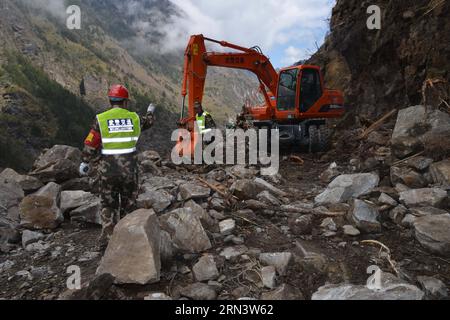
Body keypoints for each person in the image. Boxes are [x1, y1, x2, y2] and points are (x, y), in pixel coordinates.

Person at [79, 84, 155, 249]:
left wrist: (85, 161)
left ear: (110, 100)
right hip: (130, 170)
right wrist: (150, 111)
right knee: (129, 203)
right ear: (126, 102)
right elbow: (148, 122)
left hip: (108, 170)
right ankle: (128, 240)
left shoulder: (101, 119)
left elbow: (91, 143)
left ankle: (108, 240)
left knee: (108, 204)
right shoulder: (134, 118)